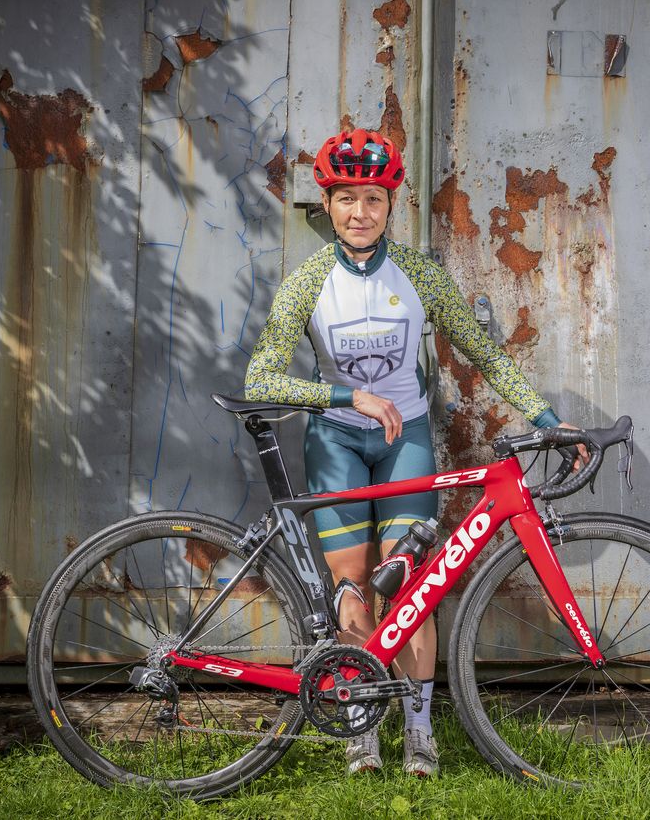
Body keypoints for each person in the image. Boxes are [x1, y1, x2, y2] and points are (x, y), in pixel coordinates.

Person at [244, 128, 581, 777]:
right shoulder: (307, 280)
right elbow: (261, 379)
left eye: (372, 198)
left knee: (412, 594)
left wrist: (546, 418)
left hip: (408, 446)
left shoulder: (419, 273)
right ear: (329, 204)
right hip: (335, 442)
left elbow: (483, 354)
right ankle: (361, 728)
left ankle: (420, 732)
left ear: (390, 203)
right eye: (346, 199)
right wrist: (349, 396)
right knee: (351, 593)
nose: (359, 212)